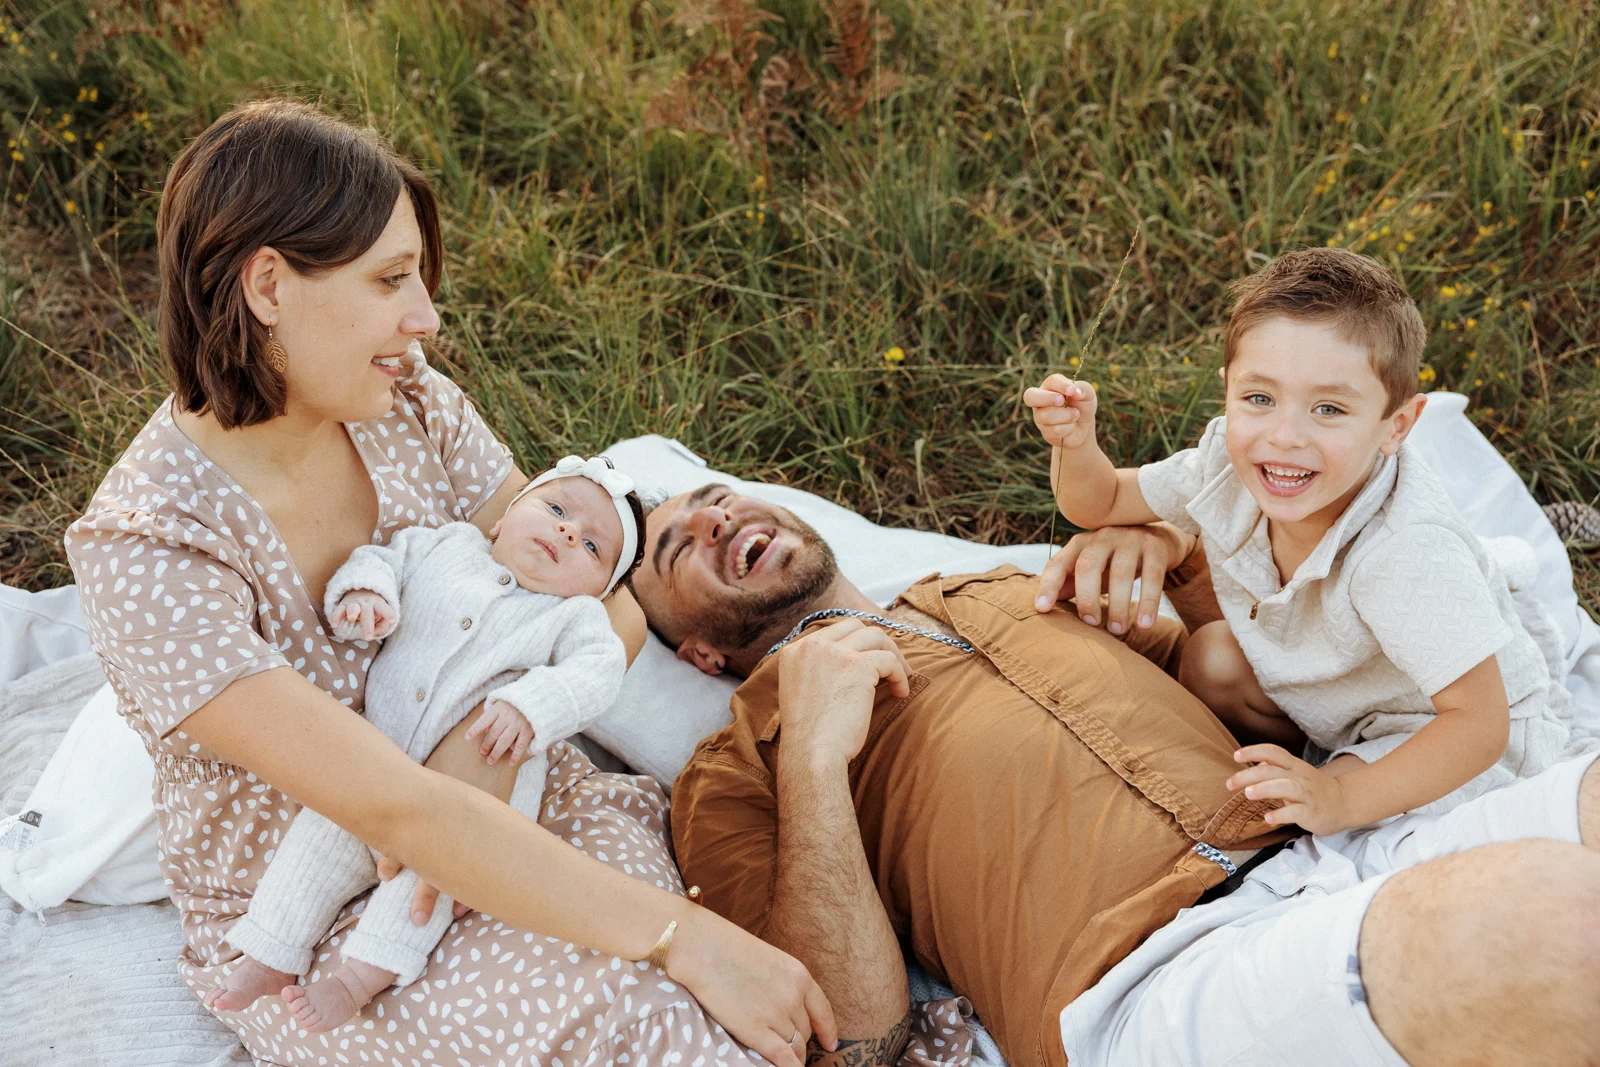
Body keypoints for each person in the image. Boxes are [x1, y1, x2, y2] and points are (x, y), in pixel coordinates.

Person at [64, 98, 835, 1067]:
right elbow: (391, 812)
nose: (424, 317)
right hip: (315, 909)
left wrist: (480, 753)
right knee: (641, 1015)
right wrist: (685, 937)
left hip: (513, 802)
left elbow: (598, 596)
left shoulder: (405, 397)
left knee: (735, 1008)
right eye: (391, 280)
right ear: (268, 284)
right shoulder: (151, 547)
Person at [630, 482, 1600, 1067]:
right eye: (683, 543)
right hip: (1152, 981)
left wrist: (1163, 559)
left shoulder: (998, 584)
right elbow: (851, 1035)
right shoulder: (733, 768)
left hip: (1323, 843)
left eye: (719, 499)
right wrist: (810, 757)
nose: (718, 520)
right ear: (698, 654)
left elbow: (1261, 629)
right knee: (1558, 920)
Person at [1024, 247, 1582, 832]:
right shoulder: (1229, 461)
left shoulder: (1406, 551)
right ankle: (1317, 760)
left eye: (1329, 408)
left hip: (1434, 731)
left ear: (1397, 426)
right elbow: (1103, 501)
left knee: (1300, 818)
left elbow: (1479, 725)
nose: (1285, 436)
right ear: (1228, 390)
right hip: (1334, 695)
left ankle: (1334, 781)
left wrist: (1342, 797)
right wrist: (1075, 445)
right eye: (1259, 399)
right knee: (1211, 662)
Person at [205, 453, 647, 1032]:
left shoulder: (573, 619)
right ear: (502, 519)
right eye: (557, 509)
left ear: (599, 588)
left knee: (431, 881)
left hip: (479, 788)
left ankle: (357, 979)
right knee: (318, 839)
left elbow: (598, 672)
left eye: (593, 548)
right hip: (376, 762)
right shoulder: (445, 545)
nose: (568, 532)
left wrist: (531, 705)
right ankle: (269, 952)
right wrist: (366, 595)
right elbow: (380, 560)